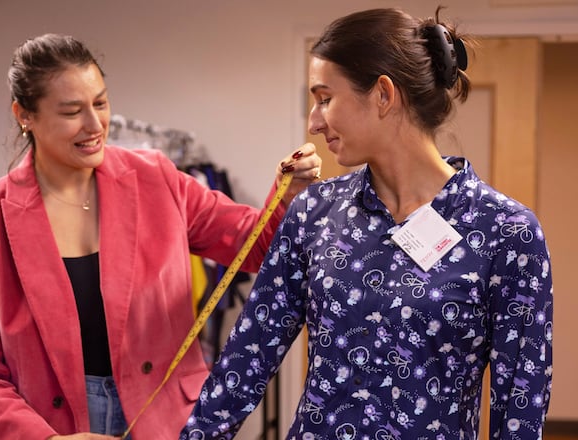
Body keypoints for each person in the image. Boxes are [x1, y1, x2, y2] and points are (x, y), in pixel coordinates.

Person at [180, 7, 553, 440]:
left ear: (383, 94)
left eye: (325, 98)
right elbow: (246, 360)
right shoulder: (313, 213)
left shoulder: (506, 232)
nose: (314, 123)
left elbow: (520, 410)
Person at [0, 33, 322, 440]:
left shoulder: (154, 177)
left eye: (100, 103)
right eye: (72, 111)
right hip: (47, 427)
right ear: (25, 115)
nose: (95, 125)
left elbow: (256, 247)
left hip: (163, 418)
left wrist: (286, 197)